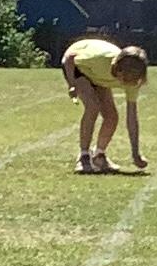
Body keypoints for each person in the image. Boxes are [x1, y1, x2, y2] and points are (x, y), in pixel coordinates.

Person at [59, 35, 147, 173]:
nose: (130, 83)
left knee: (111, 116)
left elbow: (131, 118)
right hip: (78, 66)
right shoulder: (100, 60)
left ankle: (99, 155)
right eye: (127, 78)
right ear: (118, 70)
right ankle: (83, 156)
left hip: (97, 76)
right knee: (92, 107)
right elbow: (69, 58)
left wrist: (135, 153)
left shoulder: (133, 81)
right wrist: (72, 84)